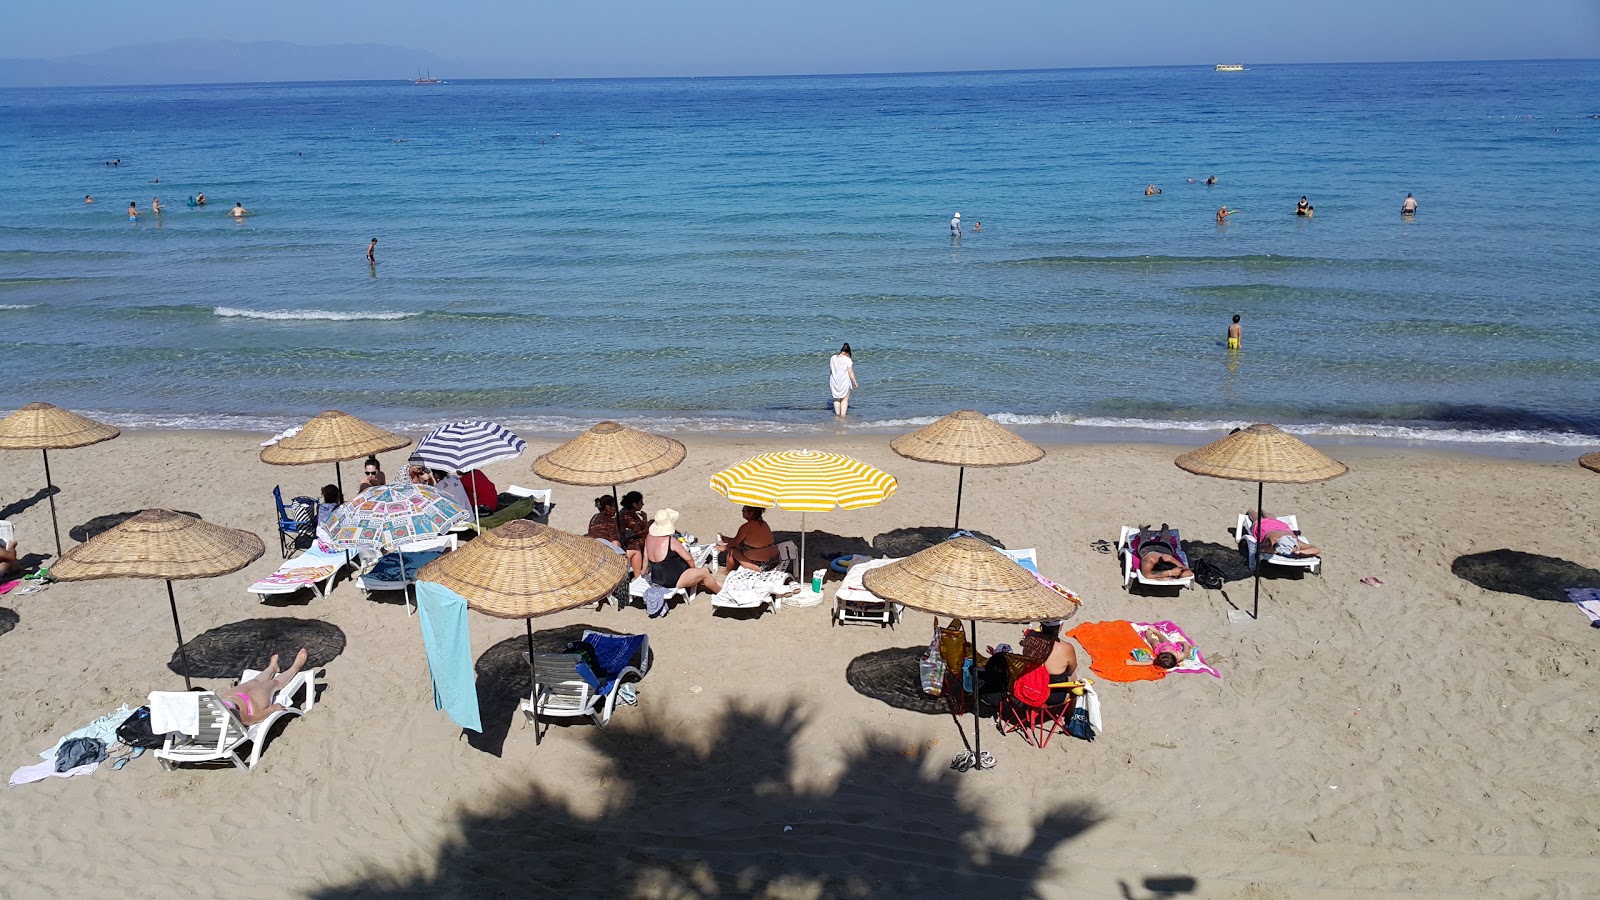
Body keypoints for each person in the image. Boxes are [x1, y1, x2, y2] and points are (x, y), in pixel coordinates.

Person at [224, 648, 309, 726]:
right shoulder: (226, 716)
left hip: (229, 699)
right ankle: (295, 668)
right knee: (273, 683)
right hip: (250, 707)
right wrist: (273, 708)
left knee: (255, 681)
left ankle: (272, 668)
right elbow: (252, 719)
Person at [644, 509, 722, 594]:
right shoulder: (671, 541)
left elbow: (645, 556)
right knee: (704, 572)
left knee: (707, 577)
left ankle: (720, 585)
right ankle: (720, 594)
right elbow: (689, 559)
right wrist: (694, 570)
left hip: (656, 578)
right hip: (673, 580)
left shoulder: (649, 537)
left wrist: (644, 571)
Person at [717, 505, 777, 573]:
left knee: (732, 550)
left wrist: (724, 547)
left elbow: (734, 543)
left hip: (760, 566)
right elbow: (751, 541)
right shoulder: (763, 523)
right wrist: (728, 539)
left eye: (743, 510)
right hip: (774, 561)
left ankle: (727, 572)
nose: (742, 512)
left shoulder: (745, 527)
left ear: (750, 513)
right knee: (739, 548)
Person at [1247, 509, 1321, 558]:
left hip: (1279, 527)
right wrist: (1277, 551)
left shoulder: (1296, 542)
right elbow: (1260, 548)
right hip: (1265, 527)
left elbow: (1317, 550)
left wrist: (1301, 551)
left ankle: (1257, 510)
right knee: (1260, 519)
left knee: (1269, 518)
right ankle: (1253, 511)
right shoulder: (1271, 540)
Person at [618, 490, 648, 564]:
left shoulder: (630, 512)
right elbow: (641, 533)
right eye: (641, 502)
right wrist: (645, 519)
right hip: (626, 543)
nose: (643, 504)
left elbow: (641, 526)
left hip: (629, 538)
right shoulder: (626, 515)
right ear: (634, 504)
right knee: (649, 540)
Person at [829, 343, 858, 417]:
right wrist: (855, 382)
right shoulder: (848, 360)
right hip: (844, 381)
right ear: (848, 352)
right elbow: (850, 372)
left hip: (834, 381)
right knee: (845, 399)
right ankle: (842, 416)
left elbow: (831, 371)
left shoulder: (833, 358)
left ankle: (837, 415)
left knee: (836, 399)